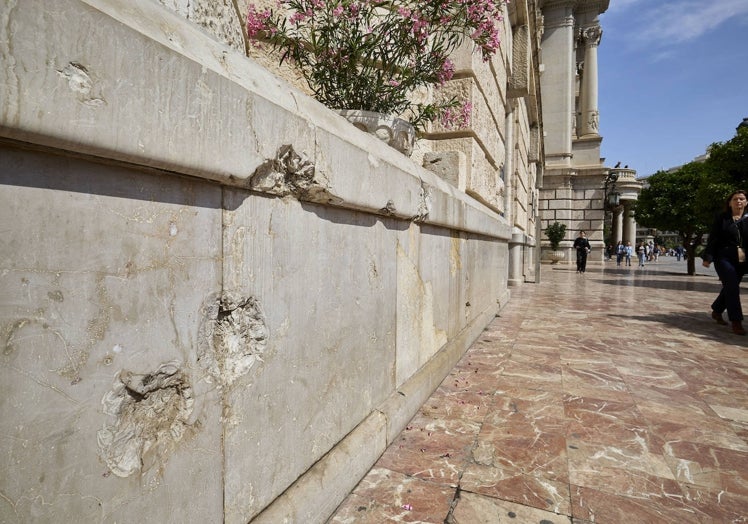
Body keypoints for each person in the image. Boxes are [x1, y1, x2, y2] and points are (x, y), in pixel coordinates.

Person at [702, 189, 748, 335]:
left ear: (746, 202)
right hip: (724, 257)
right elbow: (713, 238)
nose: (738, 201)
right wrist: (708, 257)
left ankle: (717, 310)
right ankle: (736, 321)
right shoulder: (722, 218)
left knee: (730, 286)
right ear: (729, 203)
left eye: (741, 199)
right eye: (735, 199)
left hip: (742, 258)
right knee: (732, 286)